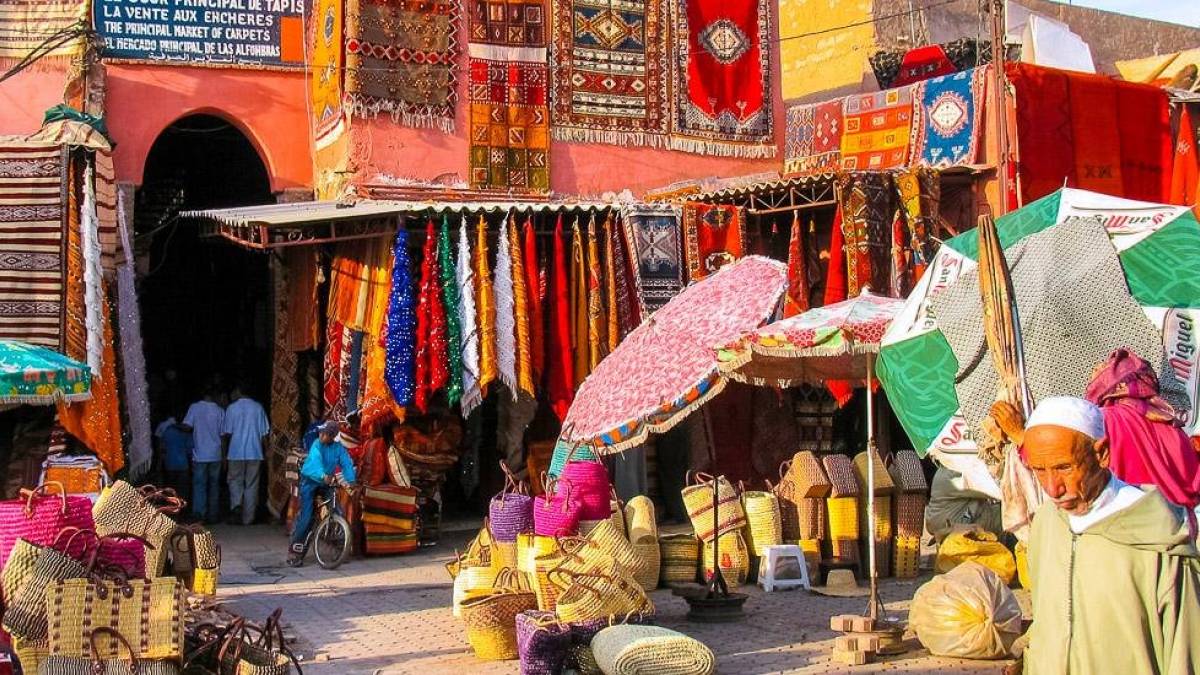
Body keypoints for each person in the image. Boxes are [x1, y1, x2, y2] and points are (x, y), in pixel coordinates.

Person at [991, 397, 1200, 675]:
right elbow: (1050, 615)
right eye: (1040, 470)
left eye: (1065, 467)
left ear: (1102, 453)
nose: (1053, 489)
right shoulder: (1047, 523)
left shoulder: (1161, 542)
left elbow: (1186, 651)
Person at [288, 421, 356, 567]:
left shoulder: (338, 448)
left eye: (324, 434)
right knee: (307, 517)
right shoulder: (316, 445)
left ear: (331, 436)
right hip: (310, 481)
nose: (321, 435)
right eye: (321, 433)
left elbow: (346, 463)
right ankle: (295, 552)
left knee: (338, 511)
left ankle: (341, 549)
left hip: (326, 483)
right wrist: (322, 475)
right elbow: (315, 462)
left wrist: (351, 480)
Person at [222, 382, 270, 526]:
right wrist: (266, 451)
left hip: (235, 452)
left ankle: (236, 507)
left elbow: (227, 433)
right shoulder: (258, 408)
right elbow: (264, 434)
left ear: (238, 391)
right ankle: (248, 518)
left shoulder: (231, 408)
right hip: (255, 452)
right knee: (252, 484)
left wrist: (224, 453)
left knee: (235, 481)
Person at [181, 386, 225, 524]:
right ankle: (213, 515)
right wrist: (224, 456)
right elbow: (223, 435)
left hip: (200, 454)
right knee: (214, 485)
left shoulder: (195, 408)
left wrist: (176, 426)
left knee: (199, 485)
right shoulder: (220, 410)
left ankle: (199, 514)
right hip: (216, 454)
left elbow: (187, 426)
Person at [154, 410, 193, 508]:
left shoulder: (166, 430)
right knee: (183, 490)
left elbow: (162, 448)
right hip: (183, 465)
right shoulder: (185, 432)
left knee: (171, 489)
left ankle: (171, 510)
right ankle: (181, 510)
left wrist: (159, 462)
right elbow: (190, 450)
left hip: (169, 464)